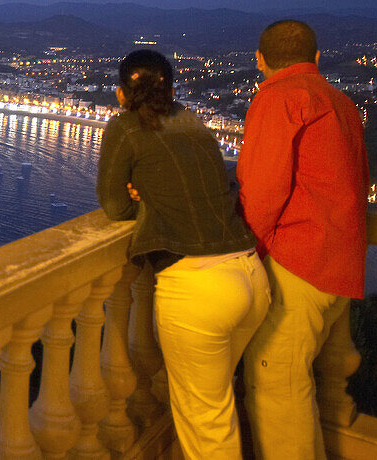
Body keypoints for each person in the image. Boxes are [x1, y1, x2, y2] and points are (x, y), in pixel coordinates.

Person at [97, 49, 269, 459]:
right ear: (171, 90)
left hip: (198, 287)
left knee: (208, 426)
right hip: (249, 275)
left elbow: (113, 206)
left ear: (121, 95)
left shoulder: (125, 127)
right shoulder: (193, 121)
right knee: (217, 404)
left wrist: (148, 203)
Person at [238, 20, 369, 460]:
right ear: (316, 58)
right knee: (297, 391)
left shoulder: (278, 98)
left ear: (259, 60)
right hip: (341, 268)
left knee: (277, 390)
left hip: (299, 266)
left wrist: (247, 259)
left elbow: (261, 193)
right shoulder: (342, 102)